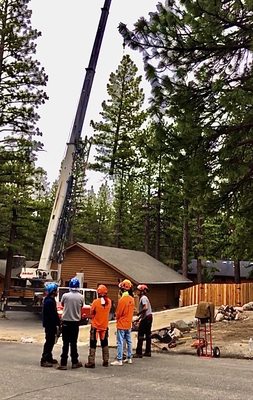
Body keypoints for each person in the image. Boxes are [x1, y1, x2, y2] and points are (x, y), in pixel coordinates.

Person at [57, 277, 84, 370]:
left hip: (66, 322)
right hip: (75, 323)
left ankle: (63, 363)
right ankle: (74, 362)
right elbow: (81, 306)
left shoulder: (65, 296)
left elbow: (63, 304)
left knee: (65, 343)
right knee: (73, 343)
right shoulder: (81, 297)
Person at [85, 284, 112, 368]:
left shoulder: (95, 302)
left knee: (93, 344)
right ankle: (106, 360)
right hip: (104, 326)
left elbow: (92, 313)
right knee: (105, 343)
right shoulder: (109, 302)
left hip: (95, 326)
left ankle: (91, 362)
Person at [111, 279, 135, 366]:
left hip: (121, 323)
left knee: (120, 342)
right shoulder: (132, 299)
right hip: (129, 323)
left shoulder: (122, 300)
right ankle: (129, 358)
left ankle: (119, 359)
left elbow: (118, 313)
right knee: (129, 341)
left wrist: (116, 317)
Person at [40, 282, 61, 367]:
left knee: (51, 341)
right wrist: (58, 322)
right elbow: (52, 315)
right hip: (50, 325)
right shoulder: (49, 301)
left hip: (50, 324)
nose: (57, 292)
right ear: (53, 291)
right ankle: (44, 359)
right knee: (49, 342)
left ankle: (49, 357)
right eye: (56, 291)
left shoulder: (51, 300)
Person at [133, 284, 153, 358]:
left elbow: (145, 308)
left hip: (146, 318)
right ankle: (148, 351)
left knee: (140, 334)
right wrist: (138, 319)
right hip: (149, 317)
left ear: (141, 291)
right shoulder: (145, 297)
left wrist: (139, 313)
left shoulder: (143, 298)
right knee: (148, 335)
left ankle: (139, 352)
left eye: (138, 290)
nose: (137, 292)